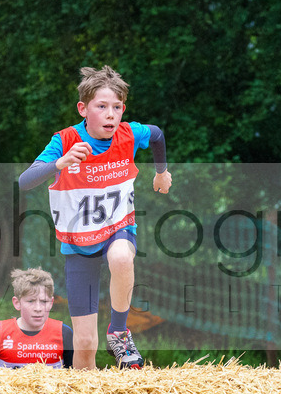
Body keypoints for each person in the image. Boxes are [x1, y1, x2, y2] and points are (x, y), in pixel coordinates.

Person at [18, 65, 171, 369]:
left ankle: (119, 331)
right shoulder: (64, 140)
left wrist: (162, 172)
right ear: (83, 109)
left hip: (118, 227)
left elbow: (156, 135)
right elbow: (25, 181)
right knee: (85, 345)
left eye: (117, 107)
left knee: (122, 258)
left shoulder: (128, 134)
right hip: (79, 244)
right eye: (102, 107)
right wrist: (59, 163)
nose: (111, 114)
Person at [0, 268, 74, 368]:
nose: (38, 308)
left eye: (44, 301)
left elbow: (75, 375)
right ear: (17, 303)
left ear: (51, 303)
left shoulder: (64, 333)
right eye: (31, 301)